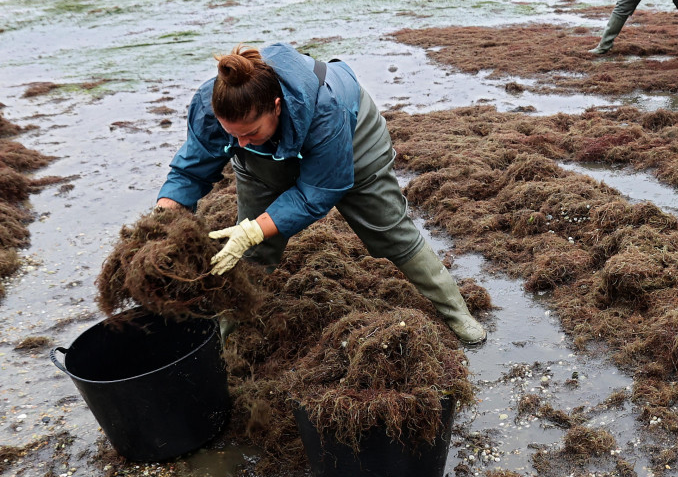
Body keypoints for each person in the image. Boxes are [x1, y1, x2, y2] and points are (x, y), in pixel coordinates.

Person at [156, 43, 487, 346]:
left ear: (276, 107)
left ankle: (455, 311)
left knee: (390, 230)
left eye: (250, 132)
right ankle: (228, 323)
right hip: (267, 158)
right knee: (251, 246)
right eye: (233, 135)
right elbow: (190, 170)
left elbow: (319, 192)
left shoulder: (327, 109)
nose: (239, 143)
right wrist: (163, 218)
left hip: (353, 142)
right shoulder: (215, 107)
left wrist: (257, 227)